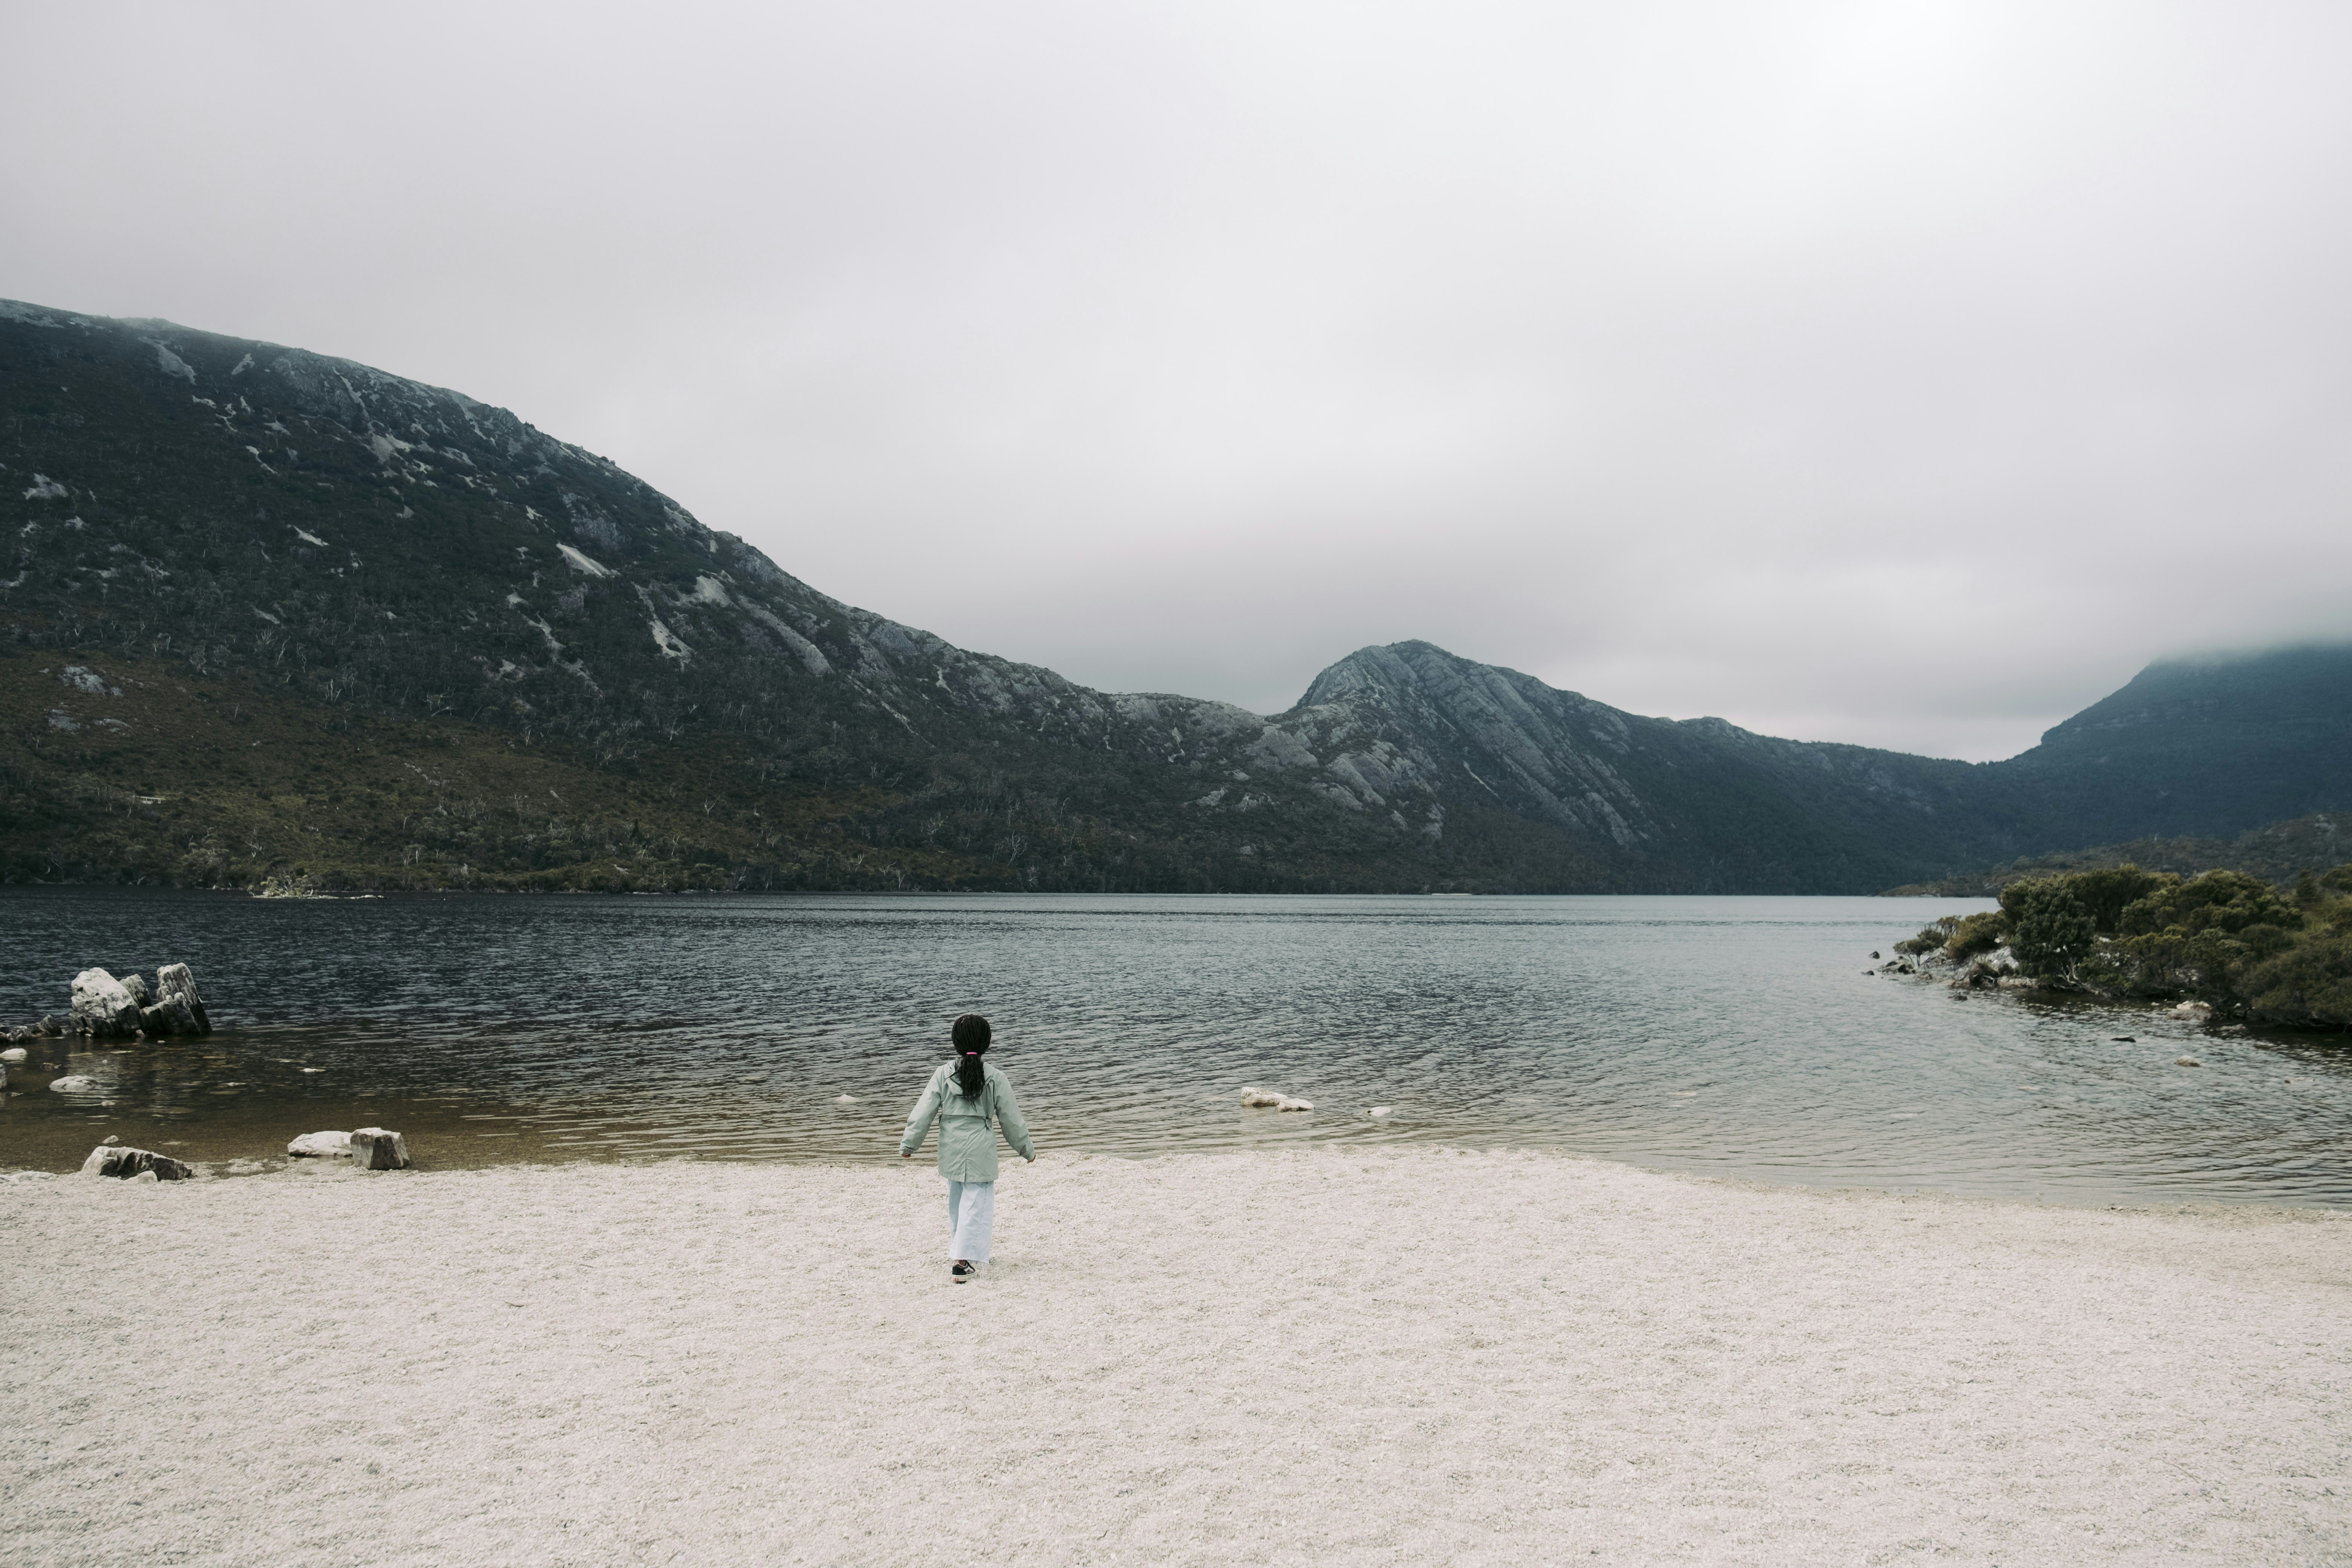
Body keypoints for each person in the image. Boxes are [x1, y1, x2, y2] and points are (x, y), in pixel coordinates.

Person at [899, 1012, 1035, 1283]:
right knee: (977, 1203)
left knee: (957, 1202)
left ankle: (962, 1251)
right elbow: (1011, 1119)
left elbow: (923, 1111)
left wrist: (909, 1144)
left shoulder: (943, 1073)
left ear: (956, 1043)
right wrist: (1026, 1149)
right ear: (986, 1043)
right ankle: (961, 1263)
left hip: (950, 1145)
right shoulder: (995, 1076)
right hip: (980, 1148)